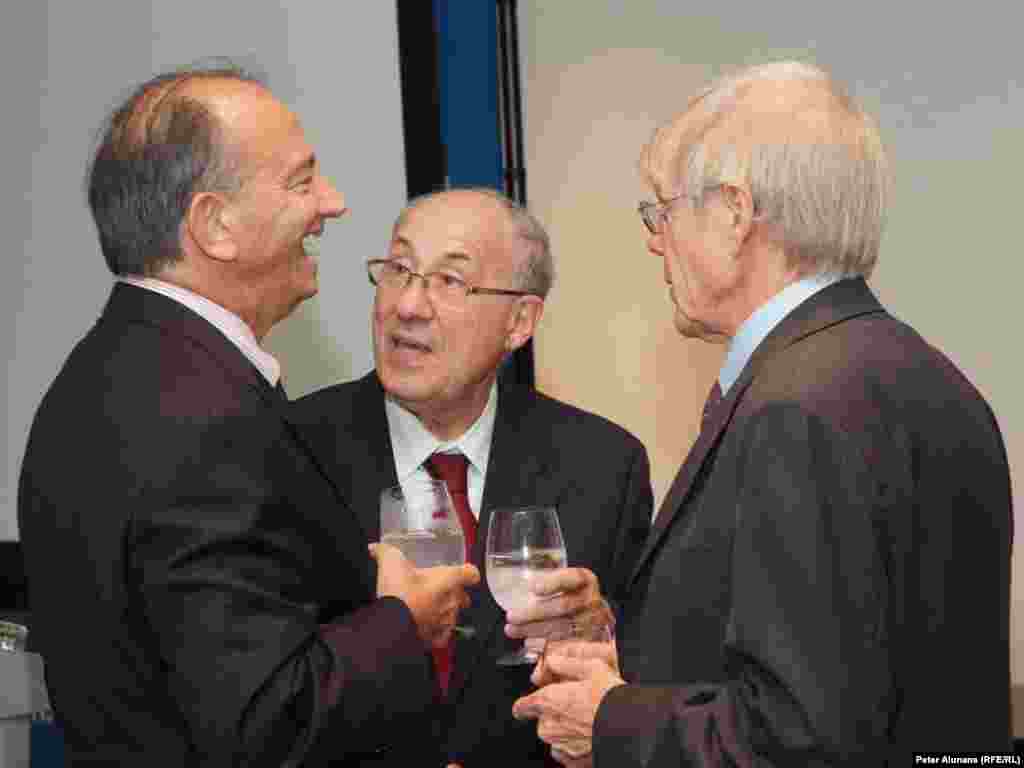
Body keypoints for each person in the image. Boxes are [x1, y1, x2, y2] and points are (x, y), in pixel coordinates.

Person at [509, 61, 1013, 765]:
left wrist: (612, 722)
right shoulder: (929, 378)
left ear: (735, 213)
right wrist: (629, 644)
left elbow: (798, 737)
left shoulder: (798, 409)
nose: (655, 239)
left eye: (663, 209)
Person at [17, 63, 478, 766]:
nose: (333, 202)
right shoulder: (204, 420)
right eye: (301, 181)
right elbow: (266, 718)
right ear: (215, 225)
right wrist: (401, 622)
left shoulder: (107, 371)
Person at [290, 187, 653, 767]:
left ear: (520, 321)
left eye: (449, 281)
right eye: (399, 269)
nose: (408, 305)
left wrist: (601, 631)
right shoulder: (291, 451)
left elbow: (647, 686)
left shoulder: (603, 465)